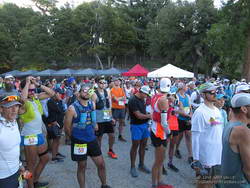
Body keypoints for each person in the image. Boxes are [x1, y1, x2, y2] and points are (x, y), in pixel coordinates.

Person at [64, 85, 111, 188]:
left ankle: (104, 185)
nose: (86, 93)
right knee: (82, 167)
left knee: (101, 164)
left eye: (88, 91)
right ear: (79, 92)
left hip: (92, 139)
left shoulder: (92, 104)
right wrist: (74, 139)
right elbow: (67, 127)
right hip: (79, 141)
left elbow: (94, 96)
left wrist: (95, 125)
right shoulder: (72, 108)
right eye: (84, 91)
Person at [19, 76, 55, 188]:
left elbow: (51, 93)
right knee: (30, 165)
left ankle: (34, 181)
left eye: (33, 90)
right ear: (24, 89)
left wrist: (38, 84)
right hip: (30, 136)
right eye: (29, 90)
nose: (32, 92)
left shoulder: (36, 98)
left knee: (45, 158)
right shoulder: (22, 103)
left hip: (38, 134)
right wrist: (27, 83)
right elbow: (23, 99)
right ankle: (29, 185)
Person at [191, 83, 224, 188]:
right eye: (212, 92)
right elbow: (195, 137)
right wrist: (196, 159)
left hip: (217, 155)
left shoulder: (217, 110)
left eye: (216, 92)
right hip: (205, 157)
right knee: (203, 184)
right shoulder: (200, 112)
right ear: (203, 95)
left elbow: (219, 131)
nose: (215, 94)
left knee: (212, 183)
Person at [221, 93, 250, 188]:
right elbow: (248, 169)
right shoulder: (242, 130)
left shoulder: (230, 124)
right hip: (240, 184)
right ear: (244, 109)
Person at [150, 78, 172, 188]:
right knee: (159, 161)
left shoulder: (155, 96)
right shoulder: (163, 100)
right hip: (160, 131)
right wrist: (169, 132)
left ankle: (159, 182)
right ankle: (154, 184)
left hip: (155, 129)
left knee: (160, 160)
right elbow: (164, 122)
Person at [0, 92, 23, 188]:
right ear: (1, 109)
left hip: (16, 171)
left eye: (16, 106)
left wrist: (20, 164)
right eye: (10, 107)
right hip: (3, 177)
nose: (14, 110)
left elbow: (15, 147)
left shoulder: (14, 122)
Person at [128, 85, 152, 178]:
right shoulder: (132, 100)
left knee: (143, 145)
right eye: (146, 94)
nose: (146, 96)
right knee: (135, 146)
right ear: (141, 92)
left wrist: (147, 114)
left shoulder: (142, 98)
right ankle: (132, 167)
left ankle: (141, 165)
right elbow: (138, 115)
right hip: (136, 126)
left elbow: (143, 112)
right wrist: (149, 116)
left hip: (144, 125)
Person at [92, 77, 117, 159]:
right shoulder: (94, 94)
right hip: (99, 119)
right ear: (98, 84)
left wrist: (111, 117)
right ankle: (98, 153)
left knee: (112, 135)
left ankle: (110, 150)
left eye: (104, 83)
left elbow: (109, 107)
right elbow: (93, 109)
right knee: (99, 137)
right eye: (101, 82)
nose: (103, 84)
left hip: (107, 118)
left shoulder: (107, 92)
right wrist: (94, 122)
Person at [46, 88, 66, 163]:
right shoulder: (50, 102)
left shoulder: (59, 101)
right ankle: (53, 157)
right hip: (54, 123)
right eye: (60, 93)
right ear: (55, 93)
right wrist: (61, 101)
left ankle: (56, 153)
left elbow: (62, 111)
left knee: (58, 140)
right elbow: (60, 110)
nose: (61, 95)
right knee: (55, 140)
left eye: (61, 94)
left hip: (59, 123)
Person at [175, 82, 193, 163]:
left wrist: (190, 116)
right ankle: (176, 149)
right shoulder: (177, 96)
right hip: (180, 119)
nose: (187, 87)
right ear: (182, 87)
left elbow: (190, 107)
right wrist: (189, 116)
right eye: (186, 86)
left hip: (187, 118)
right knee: (180, 136)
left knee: (188, 136)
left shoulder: (187, 96)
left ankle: (190, 155)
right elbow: (178, 110)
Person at [110, 78, 127, 142]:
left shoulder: (121, 89)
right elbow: (115, 99)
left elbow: (124, 98)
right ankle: (112, 136)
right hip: (115, 108)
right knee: (114, 122)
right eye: (116, 81)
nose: (117, 82)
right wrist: (120, 98)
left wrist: (119, 98)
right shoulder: (112, 90)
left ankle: (120, 135)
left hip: (122, 107)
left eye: (118, 81)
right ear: (114, 82)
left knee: (122, 122)